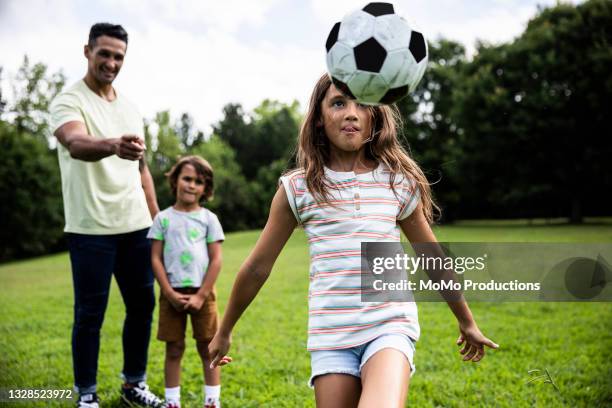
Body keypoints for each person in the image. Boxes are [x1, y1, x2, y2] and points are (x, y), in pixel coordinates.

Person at [208, 74, 499, 407]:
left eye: (362, 103)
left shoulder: (397, 183)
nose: (351, 113)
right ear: (319, 119)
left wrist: (466, 320)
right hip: (330, 336)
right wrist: (225, 330)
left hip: (389, 325)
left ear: (375, 115)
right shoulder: (298, 189)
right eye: (338, 103)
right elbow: (257, 267)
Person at [49, 23, 164, 408]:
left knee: (142, 307)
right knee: (89, 315)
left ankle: (134, 385)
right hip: (89, 228)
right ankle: (86, 395)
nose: (111, 62)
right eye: (105, 54)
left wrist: (158, 221)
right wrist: (113, 144)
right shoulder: (69, 100)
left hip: (135, 226)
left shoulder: (130, 107)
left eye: (119, 56)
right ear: (87, 51)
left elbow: (143, 171)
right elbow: (75, 143)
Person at [148, 156, 231, 408]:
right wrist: (169, 293)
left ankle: (212, 402)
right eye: (187, 178)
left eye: (198, 181)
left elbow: (216, 260)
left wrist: (201, 295)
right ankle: (173, 402)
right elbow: (155, 258)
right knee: (174, 348)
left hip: (203, 293)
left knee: (209, 349)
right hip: (171, 294)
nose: (191, 185)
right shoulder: (162, 219)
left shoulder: (209, 219)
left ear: (206, 188)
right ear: (175, 181)